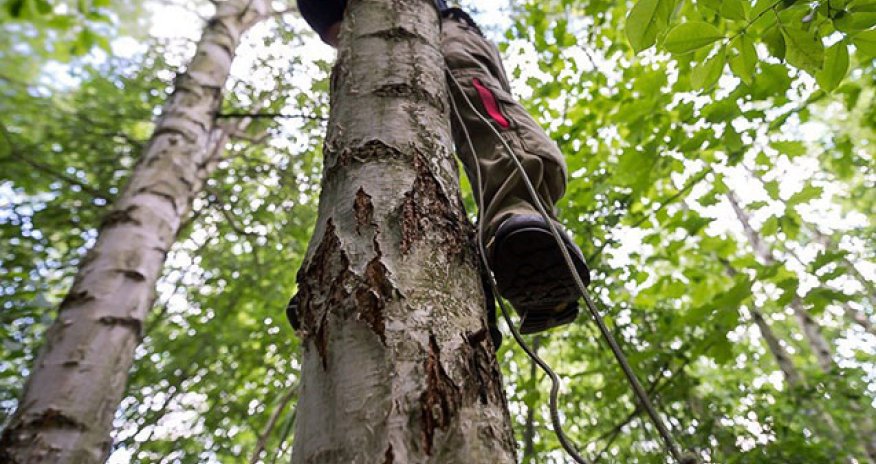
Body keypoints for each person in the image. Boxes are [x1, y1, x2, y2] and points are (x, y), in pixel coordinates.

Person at [294, 0, 590, 338]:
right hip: (374, 43)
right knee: (376, 137)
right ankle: (479, 279)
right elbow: (328, 25)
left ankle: (523, 225)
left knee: (479, 106)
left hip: (441, 29)